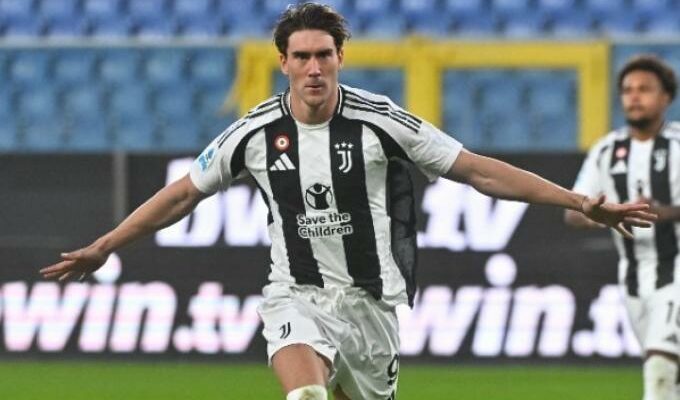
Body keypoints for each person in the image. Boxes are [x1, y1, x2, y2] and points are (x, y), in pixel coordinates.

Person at [41, 3, 655, 400]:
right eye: (301, 56)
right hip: (296, 294)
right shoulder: (253, 132)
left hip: (372, 304)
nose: (314, 67)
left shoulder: (381, 121)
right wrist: (105, 245)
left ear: (339, 58)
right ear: (283, 63)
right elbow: (182, 195)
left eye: (323, 55)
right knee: (306, 396)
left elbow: (476, 171)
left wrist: (579, 201)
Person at [565, 54, 680, 400]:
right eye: (628, 90)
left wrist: (662, 213)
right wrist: (601, 215)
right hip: (633, 277)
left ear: (666, 97)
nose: (634, 96)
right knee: (668, 375)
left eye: (645, 89)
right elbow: (572, 212)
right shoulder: (605, 150)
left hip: (676, 269)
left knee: (660, 368)